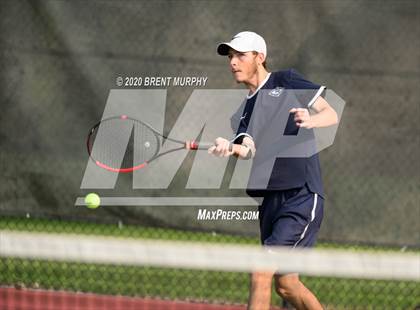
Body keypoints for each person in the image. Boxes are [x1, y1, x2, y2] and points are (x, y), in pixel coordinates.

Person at [209, 31, 338, 310]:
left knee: (261, 269)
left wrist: (311, 119)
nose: (233, 62)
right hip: (270, 201)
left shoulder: (286, 81)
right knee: (286, 285)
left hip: (300, 196)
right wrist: (229, 148)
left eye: (241, 55)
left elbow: (331, 113)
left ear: (260, 57)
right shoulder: (243, 112)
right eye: (231, 56)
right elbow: (247, 148)